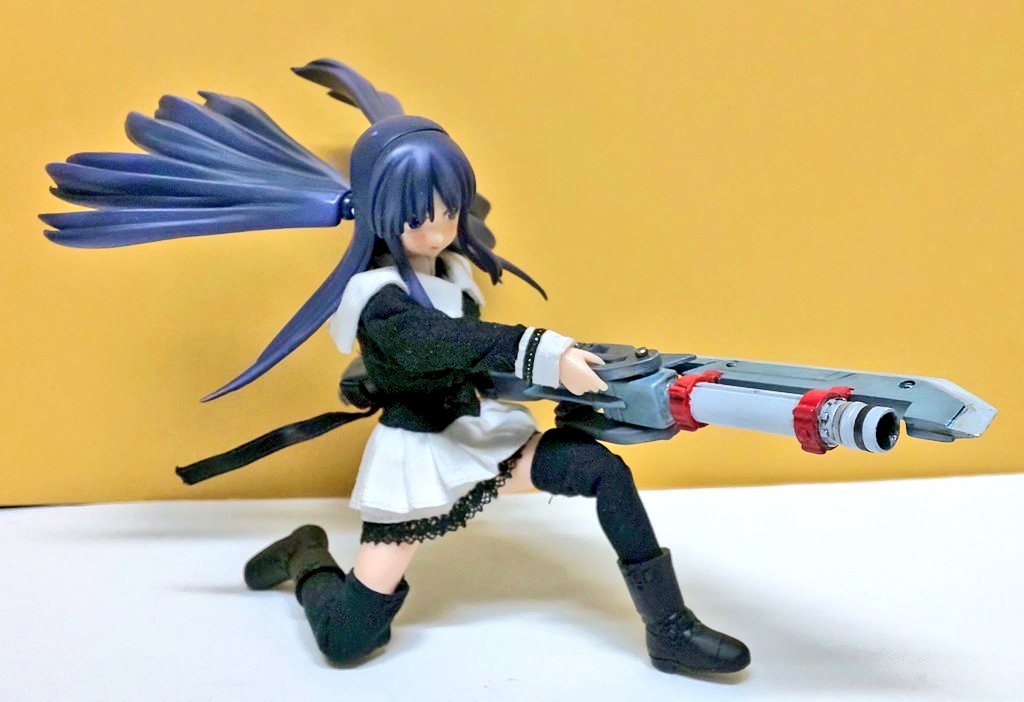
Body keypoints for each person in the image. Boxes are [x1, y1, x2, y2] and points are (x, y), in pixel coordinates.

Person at [43, 58, 750, 676]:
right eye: (420, 218)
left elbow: (477, 361)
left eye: (450, 211)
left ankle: (669, 628)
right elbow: (437, 344)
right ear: (383, 213)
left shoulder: (455, 276)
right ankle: (306, 557)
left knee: (602, 470)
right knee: (349, 642)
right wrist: (544, 352)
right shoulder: (378, 300)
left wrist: (604, 388)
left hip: (481, 437)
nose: (440, 230)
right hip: (416, 458)